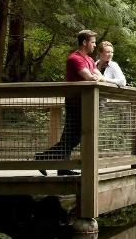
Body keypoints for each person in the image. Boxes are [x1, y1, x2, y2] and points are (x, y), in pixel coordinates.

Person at [36, 30, 102, 175]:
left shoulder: (90, 60)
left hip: (85, 101)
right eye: (93, 42)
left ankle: (59, 166)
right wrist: (94, 77)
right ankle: (43, 158)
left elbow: (99, 76)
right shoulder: (75, 58)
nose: (95, 45)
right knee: (74, 136)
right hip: (75, 100)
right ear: (84, 42)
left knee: (71, 136)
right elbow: (90, 78)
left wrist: (95, 77)